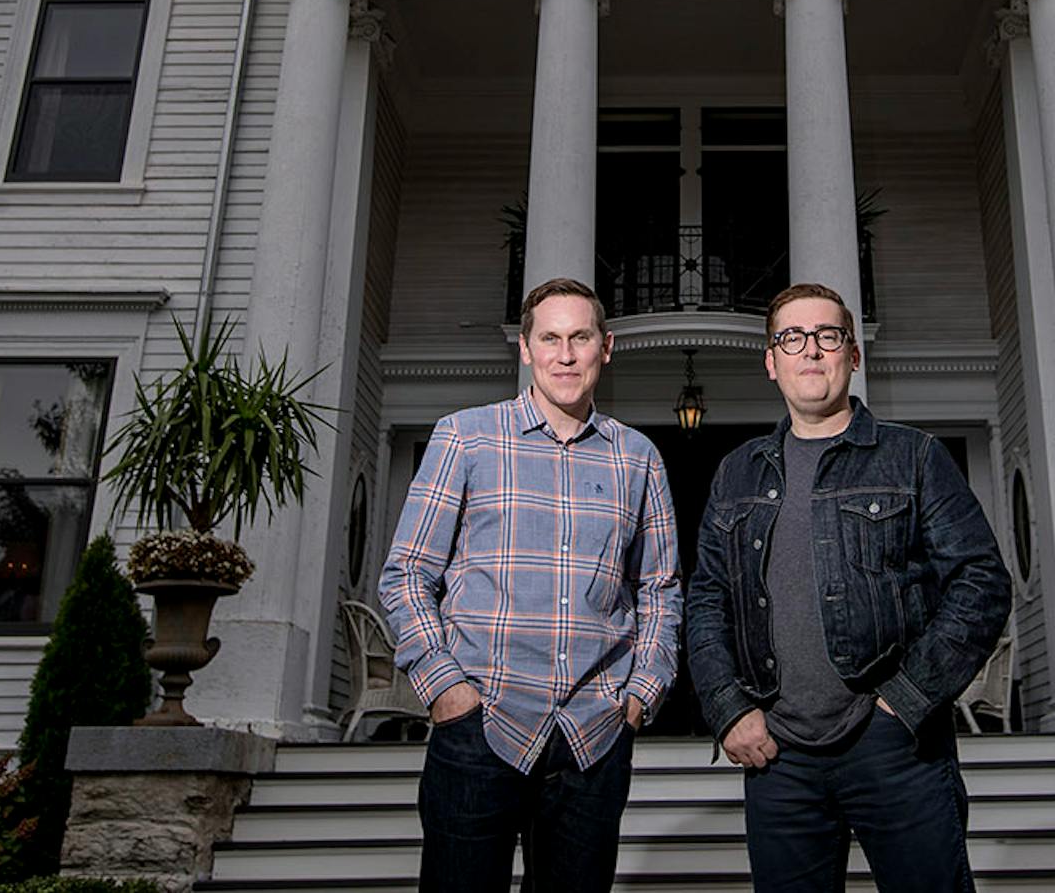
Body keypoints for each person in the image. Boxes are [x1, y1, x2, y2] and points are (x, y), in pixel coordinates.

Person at [684, 281, 1011, 893]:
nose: (811, 350)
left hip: (895, 745)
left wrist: (908, 699)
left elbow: (981, 581)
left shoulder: (912, 457)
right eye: (792, 338)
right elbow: (707, 601)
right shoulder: (737, 472)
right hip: (778, 755)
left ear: (852, 356)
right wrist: (730, 710)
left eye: (827, 336)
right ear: (771, 361)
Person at [379, 275, 681, 893]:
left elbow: (660, 590)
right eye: (550, 338)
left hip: (593, 737)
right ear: (525, 348)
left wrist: (640, 694)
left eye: (579, 338)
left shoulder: (639, 458)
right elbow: (407, 572)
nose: (565, 355)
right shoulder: (465, 437)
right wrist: (445, 689)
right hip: (479, 728)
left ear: (606, 346)